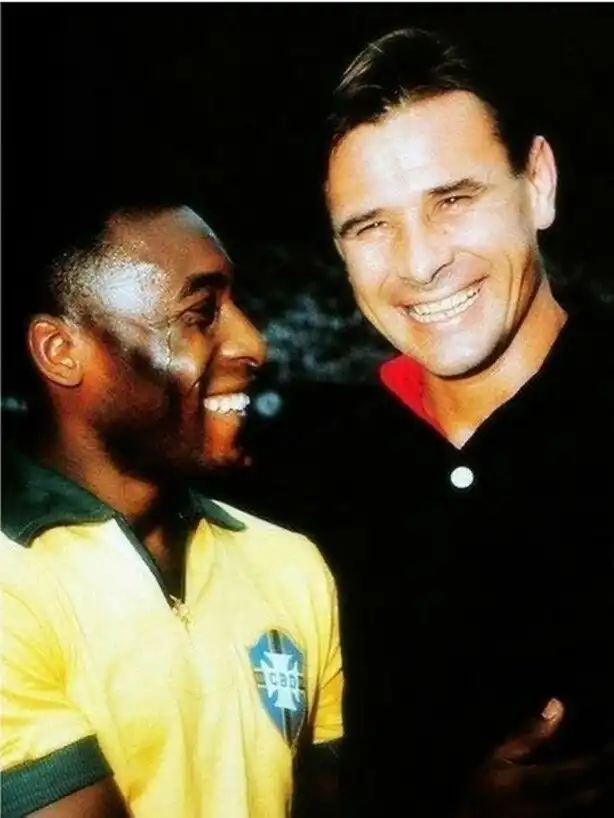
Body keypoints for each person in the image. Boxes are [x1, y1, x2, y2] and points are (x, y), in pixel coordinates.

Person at [229, 26, 614, 818]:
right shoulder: (300, 494)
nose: (418, 262)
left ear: (538, 183)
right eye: (371, 226)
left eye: (453, 201)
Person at [0, 198, 343, 818]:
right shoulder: (11, 579)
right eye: (200, 314)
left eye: (236, 307)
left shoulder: (290, 565)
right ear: (61, 351)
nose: (253, 343)